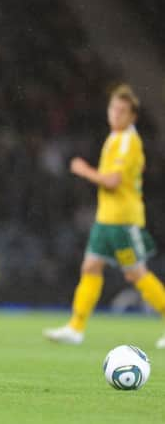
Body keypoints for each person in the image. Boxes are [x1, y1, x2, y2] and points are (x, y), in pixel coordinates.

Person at [43, 84, 165, 347]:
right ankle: (75, 328)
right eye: (113, 109)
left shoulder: (127, 142)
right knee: (90, 267)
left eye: (123, 111)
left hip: (123, 221)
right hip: (106, 220)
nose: (116, 114)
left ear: (133, 116)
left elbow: (112, 180)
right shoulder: (115, 138)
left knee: (136, 274)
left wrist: (83, 169)